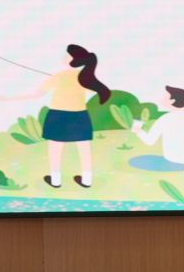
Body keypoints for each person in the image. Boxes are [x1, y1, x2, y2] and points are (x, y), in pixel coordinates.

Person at [6, 44, 111, 190]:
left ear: (72, 59)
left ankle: (55, 181)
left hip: (59, 116)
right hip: (80, 116)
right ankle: (87, 180)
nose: (64, 57)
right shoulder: (85, 77)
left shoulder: (58, 77)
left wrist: (9, 98)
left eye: (67, 55)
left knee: (55, 149)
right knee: (84, 149)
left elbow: (37, 95)